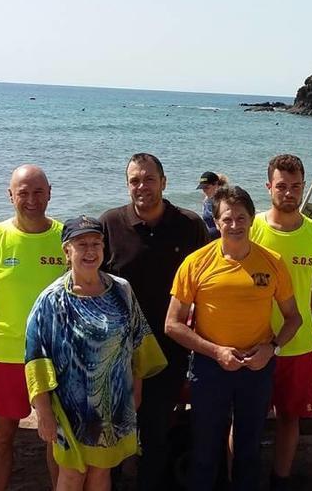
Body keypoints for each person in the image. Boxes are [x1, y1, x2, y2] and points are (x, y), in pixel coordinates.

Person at [165, 186, 301, 491]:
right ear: (216, 221)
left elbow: (294, 318)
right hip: (211, 369)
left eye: (241, 217)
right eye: (227, 218)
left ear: (252, 219)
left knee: (249, 451)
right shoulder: (196, 262)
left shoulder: (272, 261)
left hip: (256, 368)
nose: (235, 225)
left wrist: (273, 348)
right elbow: (172, 324)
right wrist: (215, 352)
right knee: (204, 452)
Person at [25, 215, 167, 491]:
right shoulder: (52, 299)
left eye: (96, 243)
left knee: (102, 472)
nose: (90, 251)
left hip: (114, 402)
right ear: (67, 251)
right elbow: (36, 358)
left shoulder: (121, 290)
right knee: (72, 474)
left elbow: (138, 341)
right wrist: (43, 411)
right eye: (81, 244)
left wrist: (135, 389)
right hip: (70, 407)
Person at [99, 153, 208, 491]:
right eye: (134, 180)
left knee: (156, 431)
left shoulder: (190, 225)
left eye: (148, 179)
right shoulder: (110, 224)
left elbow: (206, 287)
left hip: (167, 350)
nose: (142, 186)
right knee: (112, 434)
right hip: (115, 352)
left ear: (164, 182)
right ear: (127, 185)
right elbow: (88, 282)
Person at [0, 165, 67, 491]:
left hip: (55, 356)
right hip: (5, 354)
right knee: (1, 432)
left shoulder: (65, 238)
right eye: (23, 193)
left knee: (56, 436)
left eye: (38, 192)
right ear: (10, 195)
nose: (31, 200)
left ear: (50, 192)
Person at [249, 154, 312, 490]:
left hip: (296, 345)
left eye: (296, 186)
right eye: (281, 186)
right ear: (268, 186)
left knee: (289, 417)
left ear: (302, 188)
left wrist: (296, 314)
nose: (289, 193)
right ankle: (239, 478)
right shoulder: (252, 228)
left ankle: (279, 480)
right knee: (245, 421)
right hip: (251, 342)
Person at [197, 171, 228, 239]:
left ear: (216, 185)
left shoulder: (224, 202)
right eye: (202, 188)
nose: (204, 190)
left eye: (207, 187)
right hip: (209, 236)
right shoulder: (206, 201)